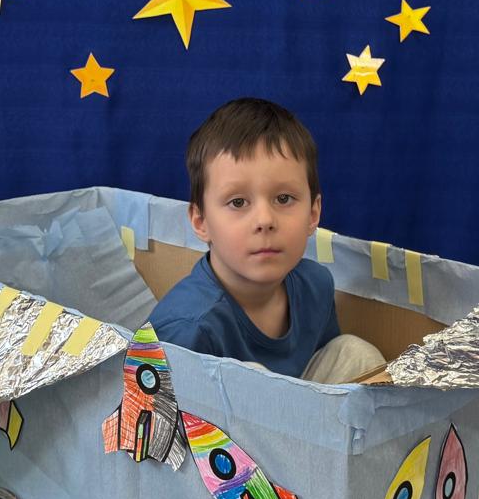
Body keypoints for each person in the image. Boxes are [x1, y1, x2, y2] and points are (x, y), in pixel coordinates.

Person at [151, 98, 386, 383]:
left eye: (283, 199)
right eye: (238, 202)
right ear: (202, 222)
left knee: (356, 354)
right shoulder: (187, 328)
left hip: (302, 404)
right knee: (253, 377)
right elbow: (150, 406)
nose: (265, 220)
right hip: (205, 412)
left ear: (313, 214)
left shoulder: (316, 285)